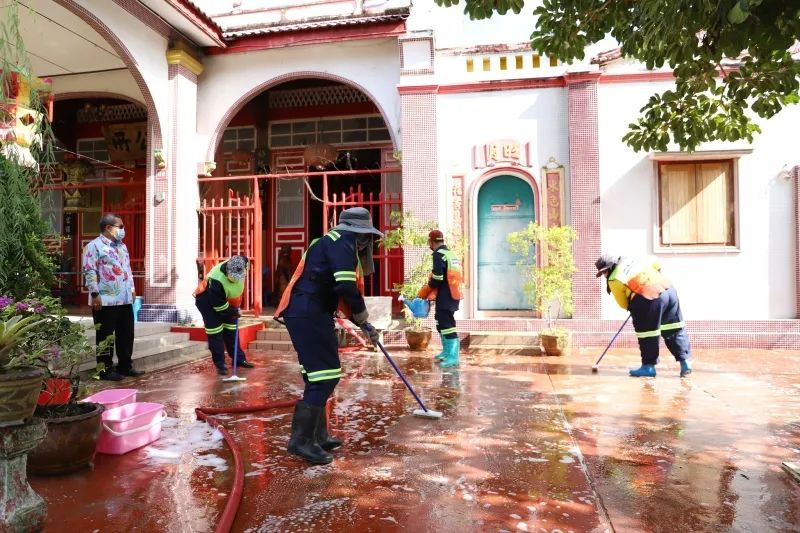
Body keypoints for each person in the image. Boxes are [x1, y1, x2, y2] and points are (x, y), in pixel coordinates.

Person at [275, 207, 382, 465]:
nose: (368, 243)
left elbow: (337, 289)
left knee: (317, 376)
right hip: (308, 313)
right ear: (360, 234)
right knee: (326, 375)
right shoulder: (343, 244)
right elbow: (345, 286)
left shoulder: (328, 241)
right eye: (367, 237)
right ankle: (301, 441)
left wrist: (361, 323)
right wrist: (364, 318)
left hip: (307, 312)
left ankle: (318, 436)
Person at [595, 254, 692, 378]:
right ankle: (685, 363)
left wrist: (635, 306)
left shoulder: (614, 278)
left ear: (610, 267)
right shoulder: (635, 259)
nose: (604, 275)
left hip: (648, 297)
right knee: (674, 328)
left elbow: (623, 303)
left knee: (648, 334)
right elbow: (657, 263)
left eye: (604, 272)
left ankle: (648, 367)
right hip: (668, 290)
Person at [82, 213, 144, 381]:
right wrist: (94, 293)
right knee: (105, 335)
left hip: (124, 299)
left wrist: (132, 287)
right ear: (108, 228)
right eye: (120, 227)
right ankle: (104, 370)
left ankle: (125, 366)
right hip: (104, 300)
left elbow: (127, 269)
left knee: (126, 334)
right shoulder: (93, 247)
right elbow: (89, 271)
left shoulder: (122, 246)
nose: (123, 230)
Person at [193, 255, 256, 376]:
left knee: (231, 330)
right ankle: (220, 364)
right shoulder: (217, 280)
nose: (237, 279)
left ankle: (239, 359)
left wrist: (234, 310)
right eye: (234, 277)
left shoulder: (242, 262)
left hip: (228, 299)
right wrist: (234, 312)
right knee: (215, 332)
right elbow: (219, 307)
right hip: (208, 302)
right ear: (227, 271)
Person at [417, 230, 463, 368]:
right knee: (441, 321)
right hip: (453, 294)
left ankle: (453, 357)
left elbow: (437, 278)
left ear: (431, 242)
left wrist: (426, 290)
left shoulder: (438, 255)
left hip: (446, 295)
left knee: (447, 325)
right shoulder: (451, 254)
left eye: (429, 242)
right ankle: (446, 352)